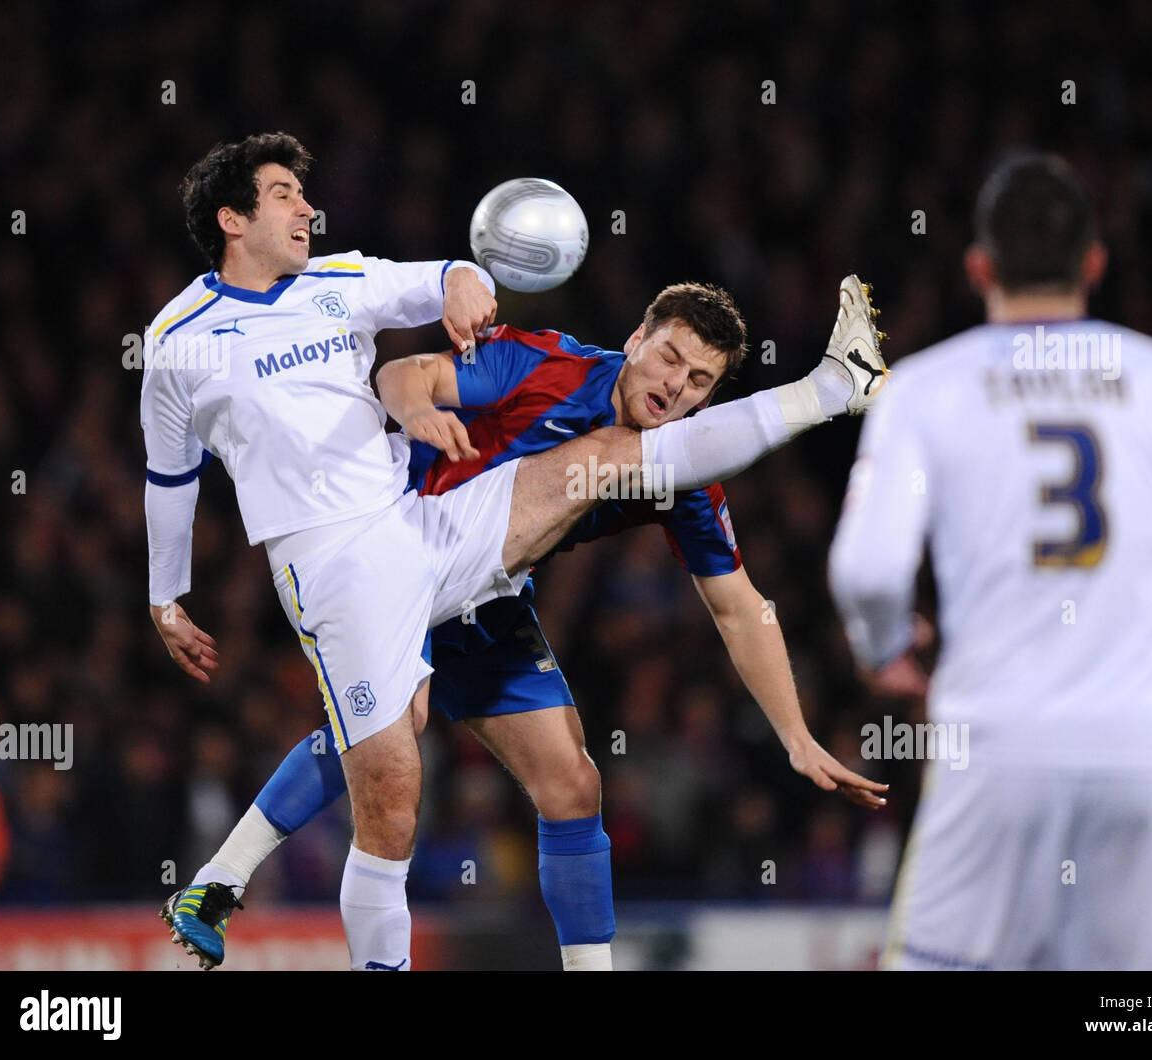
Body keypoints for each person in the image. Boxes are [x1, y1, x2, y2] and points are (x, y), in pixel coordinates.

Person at [144, 132, 889, 970]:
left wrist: (792, 734)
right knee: (390, 751)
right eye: (669, 358)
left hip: (482, 583)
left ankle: (221, 879)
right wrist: (418, 409)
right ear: (638, 336)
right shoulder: (545, 367)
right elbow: (403, 377)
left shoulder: (684, 471)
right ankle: (830, 389)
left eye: (699, 384)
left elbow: (738, 606)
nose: (674, 386)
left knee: (571, 784)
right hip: (390, 536)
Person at [829, 153, 1152, 970]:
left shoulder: (925, 390)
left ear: (979, 267)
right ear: (1095, 264)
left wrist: (883, 649)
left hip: (993, 748)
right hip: (1142, 745)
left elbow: (869, 571)